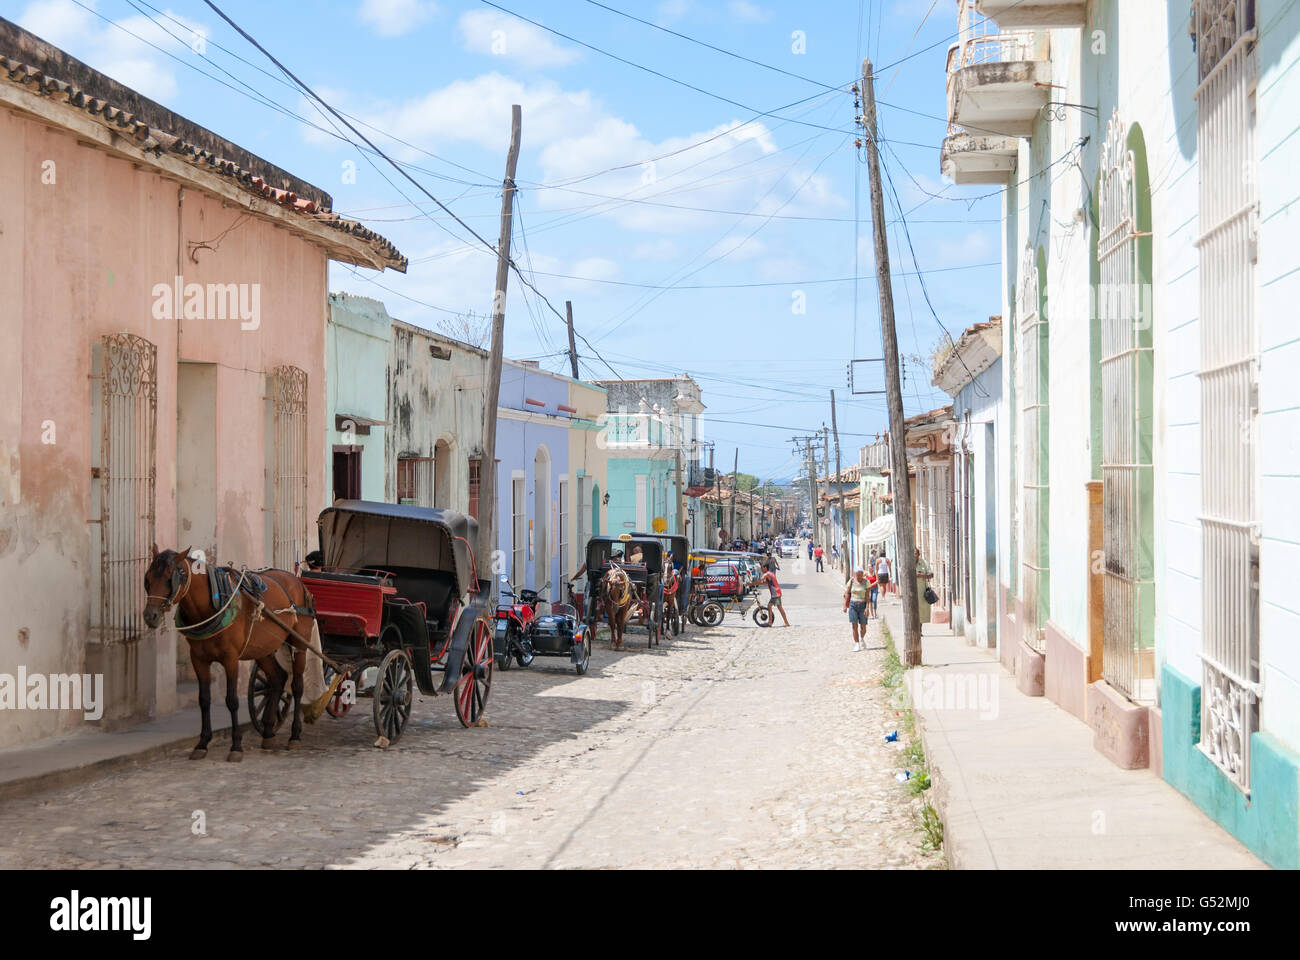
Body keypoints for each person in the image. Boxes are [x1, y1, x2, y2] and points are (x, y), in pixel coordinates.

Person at [843, 568, 871, 652]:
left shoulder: (866, 582)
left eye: (860, 575)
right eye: (857, 575)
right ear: (855, 574)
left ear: (863, 574)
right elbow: (847, 593)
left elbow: (867, 596)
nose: (859, 577)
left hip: (862, 605)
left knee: (863, 626)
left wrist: (867, 608)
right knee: (854, 625)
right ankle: (857, 644)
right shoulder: (851, 581)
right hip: (853, 605)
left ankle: (861, 638)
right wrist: (845, 605)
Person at [758, 562, 789, 627]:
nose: (761, 569)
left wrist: (750, 584)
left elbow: (760, 580)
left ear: (765, 568)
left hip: (775, 593)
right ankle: (786, 622)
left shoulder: (766, 574)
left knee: (770, 606)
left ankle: (770, 622)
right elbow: (766, 583)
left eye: (762, 568)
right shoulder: (771, 573)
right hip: (777, 592)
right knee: (780, 608)